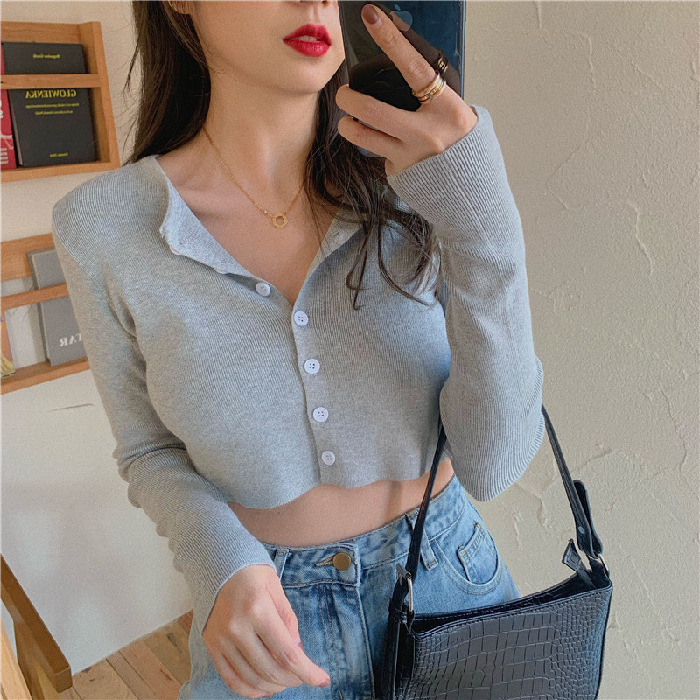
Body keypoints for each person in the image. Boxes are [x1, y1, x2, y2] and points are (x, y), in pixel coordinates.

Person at [51, 1, 545, 697]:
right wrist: (221, 561)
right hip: (266, 627)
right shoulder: (102, 226)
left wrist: (482, 220)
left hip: (450, 591)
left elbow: (494, 466)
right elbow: (148, 450)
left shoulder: (425, 179)